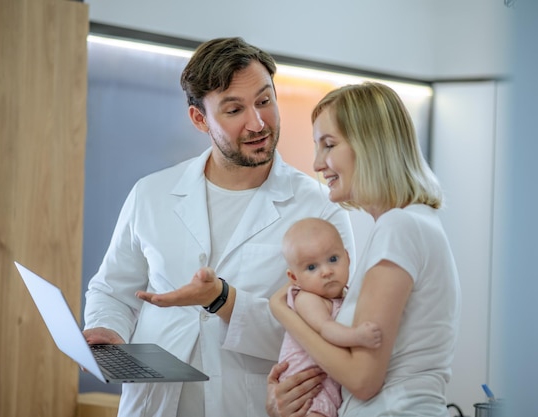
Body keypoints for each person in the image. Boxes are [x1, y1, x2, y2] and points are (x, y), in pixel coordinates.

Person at [82, 37, 357, 417]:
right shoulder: (152, 194)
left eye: (264, 101)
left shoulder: (318, 208)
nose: (258, 122)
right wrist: (107, 333)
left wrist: (223, 299)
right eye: (234, 110)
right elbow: (113, 290)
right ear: (200, 119)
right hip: (154, 405)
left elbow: (332, 330)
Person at [266, 82, 461, 417]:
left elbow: (362, 378)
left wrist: (285, 311)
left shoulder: (399, 227)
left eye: (328, 145)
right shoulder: (414, 222)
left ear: (370, 144)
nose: (316, 163)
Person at [278, 217, 381, 417]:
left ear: (348, 258)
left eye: (333, 259)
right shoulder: (307, 299)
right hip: (309, 389)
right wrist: (357, 336)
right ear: (294, 278)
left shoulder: (347, 296)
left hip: (331, 384)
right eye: (311, 267)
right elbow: (326, 328)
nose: (326, 271)